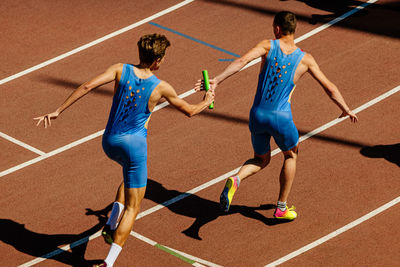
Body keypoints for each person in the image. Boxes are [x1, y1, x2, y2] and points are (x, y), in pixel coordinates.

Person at [34, 33, 214, 267]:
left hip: (109, 141)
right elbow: (189, 110)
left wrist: (59, 110)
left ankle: (110, 224)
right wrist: (206, 99)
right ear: (158, 60)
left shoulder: (120, 69)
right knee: (134, 206)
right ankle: (108, 263)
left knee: (128, 175)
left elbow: (88, 85)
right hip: (134, 147)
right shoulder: (161, 87)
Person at [196, 11, 358, 220]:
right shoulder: (305, 59)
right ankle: (281, 207)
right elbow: (330, 88)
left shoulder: (267, 46)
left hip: (257, 115)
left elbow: (242, 61)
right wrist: (345, 108)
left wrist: (217, 80)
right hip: (281, 118)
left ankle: (237, 179)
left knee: (261, 159)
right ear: (293, 30)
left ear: (277, 29)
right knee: (291, 155)